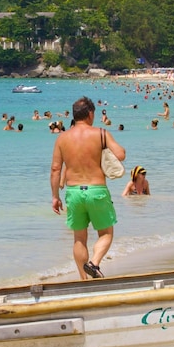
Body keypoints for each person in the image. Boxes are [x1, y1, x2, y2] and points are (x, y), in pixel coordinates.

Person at [50, 97, 125, 280]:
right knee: (106, 233)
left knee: (79, 238)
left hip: (74, 192)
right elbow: (121, 155)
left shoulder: (62, 138)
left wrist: (55, 196)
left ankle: (84, 280)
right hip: (96, 190)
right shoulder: (101, 133)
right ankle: (94, 263)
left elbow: (55, 169)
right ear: (90, 114)